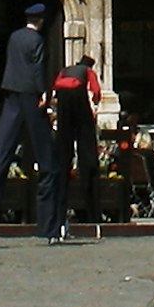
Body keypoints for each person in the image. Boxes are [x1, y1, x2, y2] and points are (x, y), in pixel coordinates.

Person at [0, 1, 59, 249]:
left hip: (11, 98)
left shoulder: (14, 38)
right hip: (30, 99)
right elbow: (37, 69)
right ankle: (49, 227)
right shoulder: (37, 42)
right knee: (48, 163)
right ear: (41, 21)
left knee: (0, 160)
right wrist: (43, 93)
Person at [51, 52, 104, 240]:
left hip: (64, 100)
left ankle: (59, 212)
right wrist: (95, 106)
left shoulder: (66, 70)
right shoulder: (88, 72)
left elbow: (55, 88)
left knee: (64, 147)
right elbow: (96, 91)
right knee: (86, 142)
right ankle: (92, 212)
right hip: (78, 98)